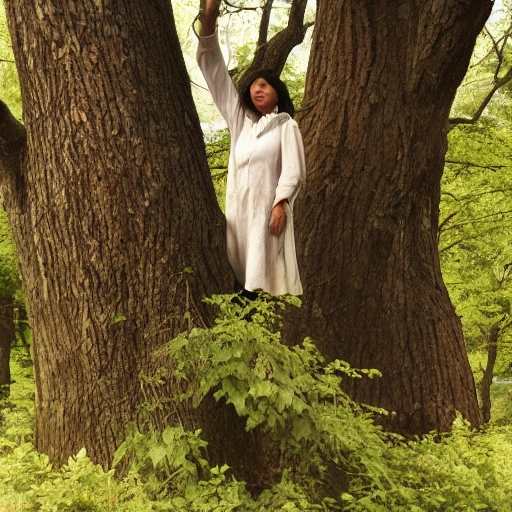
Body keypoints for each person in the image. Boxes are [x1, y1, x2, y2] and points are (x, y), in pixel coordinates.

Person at [195, 0, 305, 296]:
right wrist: (208, 22)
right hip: (237, 214)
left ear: (277, 94)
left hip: (264, 215)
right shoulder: (239, 121)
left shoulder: (285, 126)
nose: (258, 88)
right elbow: (216, 74)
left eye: (265, 85)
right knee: (232, 275)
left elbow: (294, 171)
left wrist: (281, 203)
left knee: (255, 284)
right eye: (254, 84)